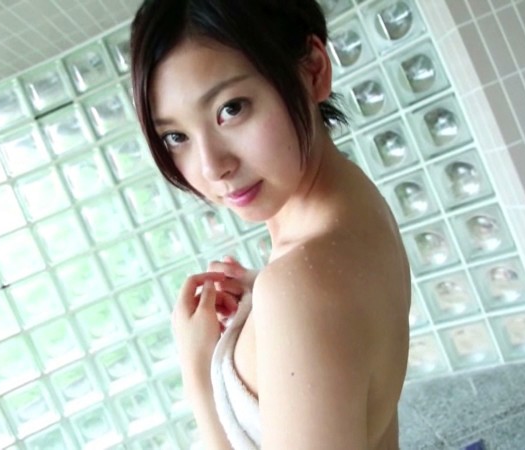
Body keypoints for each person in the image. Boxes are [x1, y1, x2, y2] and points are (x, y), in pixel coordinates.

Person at [130, 0, 411, 448]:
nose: (212, 166)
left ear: (314, 69)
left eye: (231, 108)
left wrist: (199, 376)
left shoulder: (303, 286)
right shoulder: (351, 208)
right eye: (176, 136)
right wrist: (265, 301)